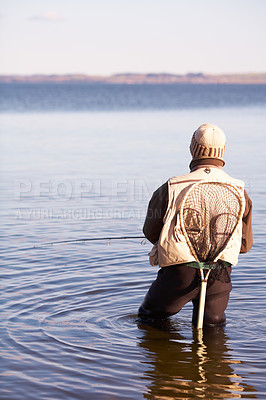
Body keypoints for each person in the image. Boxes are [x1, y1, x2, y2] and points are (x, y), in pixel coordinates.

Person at [138, 123, 253, 326]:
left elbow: (150, 232)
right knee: (214, 328)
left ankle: (167, 355)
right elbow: (244, 246)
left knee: (149, 317)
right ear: (223, 150)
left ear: (193, 149)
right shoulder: (240, 191)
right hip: (220, 275)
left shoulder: (171, 187)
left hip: (179, 275)